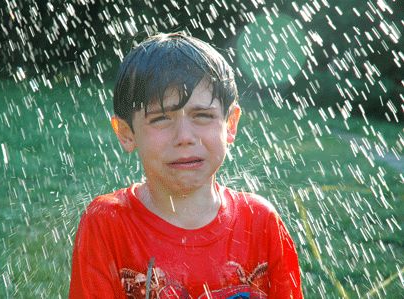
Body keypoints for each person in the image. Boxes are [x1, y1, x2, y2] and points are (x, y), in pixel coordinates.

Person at [69, 32, 303, 298]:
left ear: (231, 124)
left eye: (202, 115)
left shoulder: (261, 223)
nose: (184, 137)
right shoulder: (107, 224)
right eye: (160, 119)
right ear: (126, 132)